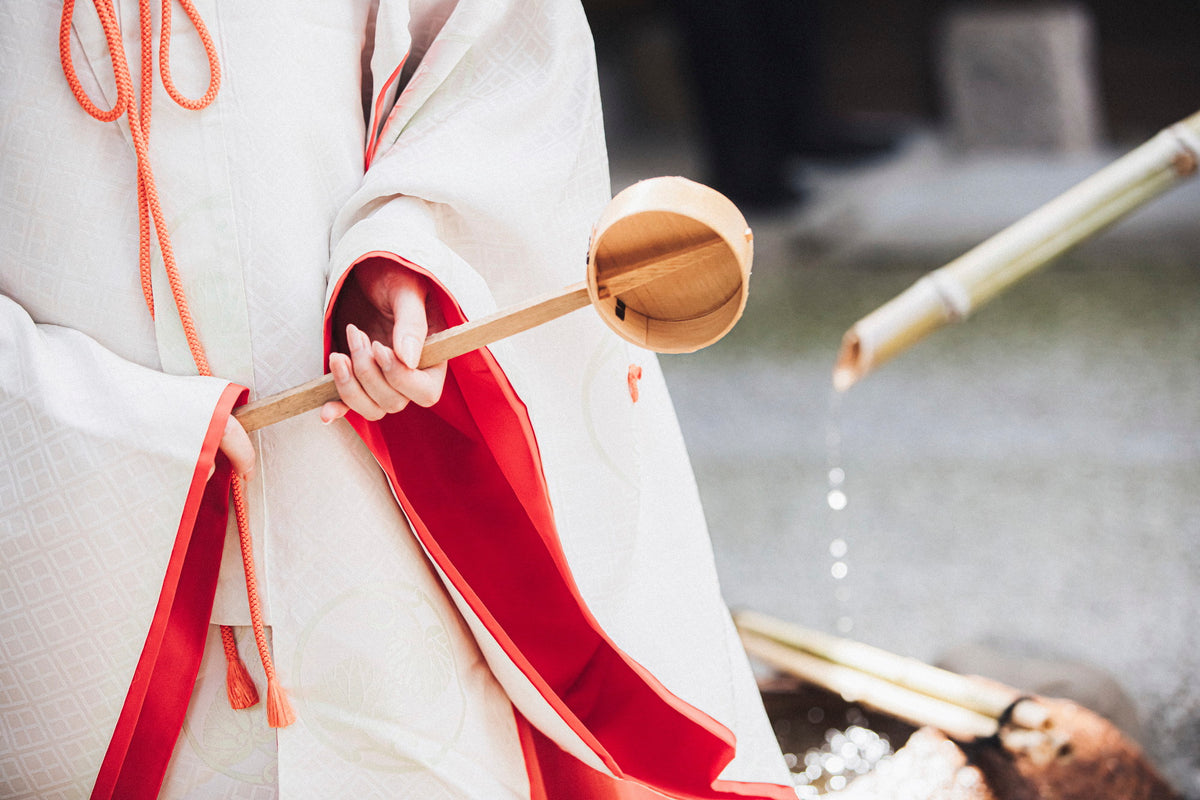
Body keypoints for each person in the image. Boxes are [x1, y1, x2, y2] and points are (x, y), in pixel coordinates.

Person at [1, 1, 795, 798]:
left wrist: (405, 250)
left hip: (357, 472)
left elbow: (502, 43)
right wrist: (78, 414)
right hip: (67, 518)